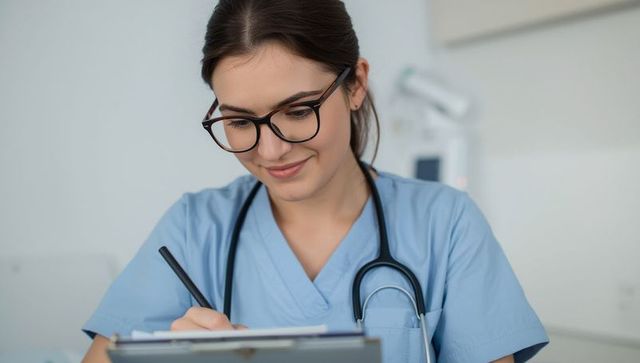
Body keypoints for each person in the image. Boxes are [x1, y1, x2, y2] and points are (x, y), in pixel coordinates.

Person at [81, 1, 548, 362]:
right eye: (240, 122)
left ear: (356, 85)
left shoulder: (446, 225)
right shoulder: (193, 228)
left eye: (299, 111)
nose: (270, 151)